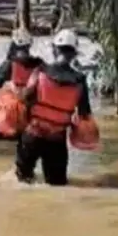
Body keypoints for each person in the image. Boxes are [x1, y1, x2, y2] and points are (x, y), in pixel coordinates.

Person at [16, 29, 92, 186]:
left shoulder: (40, 71)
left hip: (32, 136)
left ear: (55, 49)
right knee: (57, 185)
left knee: (22, 181)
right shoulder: (80, 81)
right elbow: (84, 113)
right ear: (74, 54)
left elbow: (24, 97)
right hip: (57, 141)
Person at [0, 29, 45, 106]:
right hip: (32, 106)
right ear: (29, 46)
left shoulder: (10, 63)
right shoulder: (39, 63)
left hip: (15, 106)